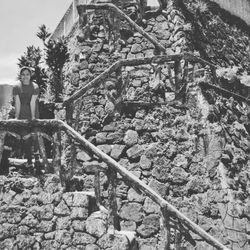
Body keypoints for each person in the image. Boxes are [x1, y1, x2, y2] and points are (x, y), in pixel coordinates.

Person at [13, 66, 40, 168]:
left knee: (36, 135)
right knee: (25, 138)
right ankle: (29, 161)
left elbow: (33, 102)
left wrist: (33, 117)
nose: (25, 77)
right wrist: (17, 118)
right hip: (22, 115)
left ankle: (37, 161)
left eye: (27, 74)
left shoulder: (35, 87)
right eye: (23, 74)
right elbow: (17, 102)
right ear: (20, 75)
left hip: (33, 113)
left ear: (30, 75)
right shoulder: (16, 87)